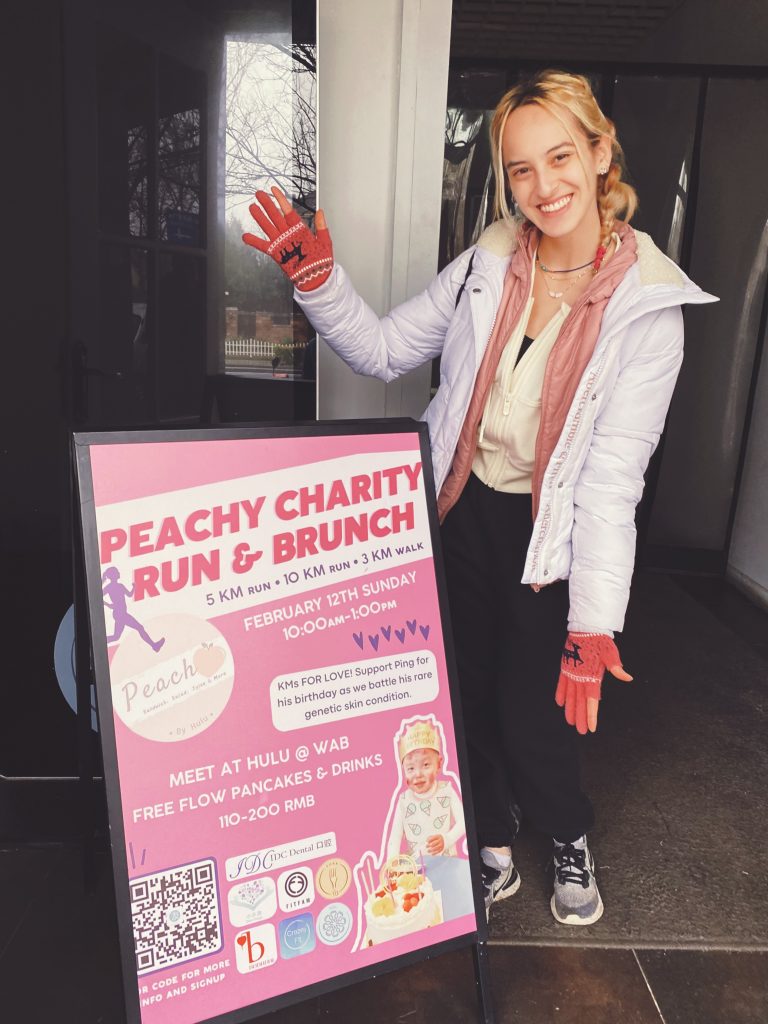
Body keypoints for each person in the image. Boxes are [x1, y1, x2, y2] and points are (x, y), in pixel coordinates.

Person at [242, 70, 717, 925]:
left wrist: (594, 623)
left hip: (549, 532)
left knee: (532, 707)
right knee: (462, 688)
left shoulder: (649, 308)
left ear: (600, 154)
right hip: (459, 511)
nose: (543, 186)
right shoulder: (488, 262)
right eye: (521, 168)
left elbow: (613, 479)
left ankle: (567, 831)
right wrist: (318, 282)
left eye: (561, 157)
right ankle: (491, 836)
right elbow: (385, 351)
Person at [386, 719, 466, 861]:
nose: (418, 774)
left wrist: (447, 839)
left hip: (447, 861)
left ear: (439, 764)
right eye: (410, 768)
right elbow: (395, 838)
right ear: (403, 771)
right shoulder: (404, 800)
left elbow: (464, 821)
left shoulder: (446, 791)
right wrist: (392, 862)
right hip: (417, 865)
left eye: (426, 765)